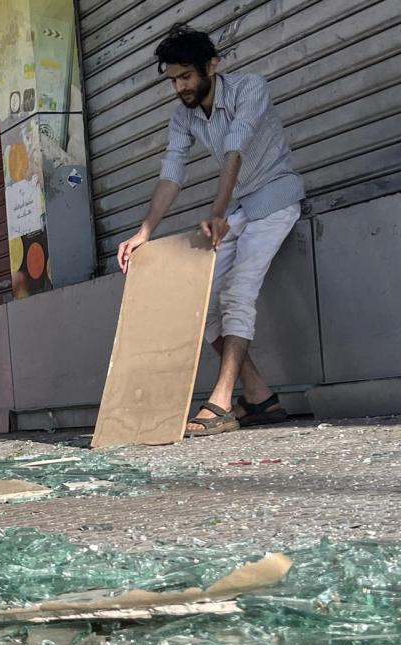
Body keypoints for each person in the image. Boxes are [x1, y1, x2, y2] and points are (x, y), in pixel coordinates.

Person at [116, 24, 304, 436]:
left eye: (186, 76)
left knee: (238, 292)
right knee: (198, 302)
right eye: (173, 80)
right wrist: (144, 231)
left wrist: (217, 213)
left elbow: (236, 147)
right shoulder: (183, 116)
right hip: (238, 209)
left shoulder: (249, 88)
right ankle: (259, 396)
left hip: (274, 199)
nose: (180, 87)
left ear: (212, 66)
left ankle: (221, 402)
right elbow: (171, 173)